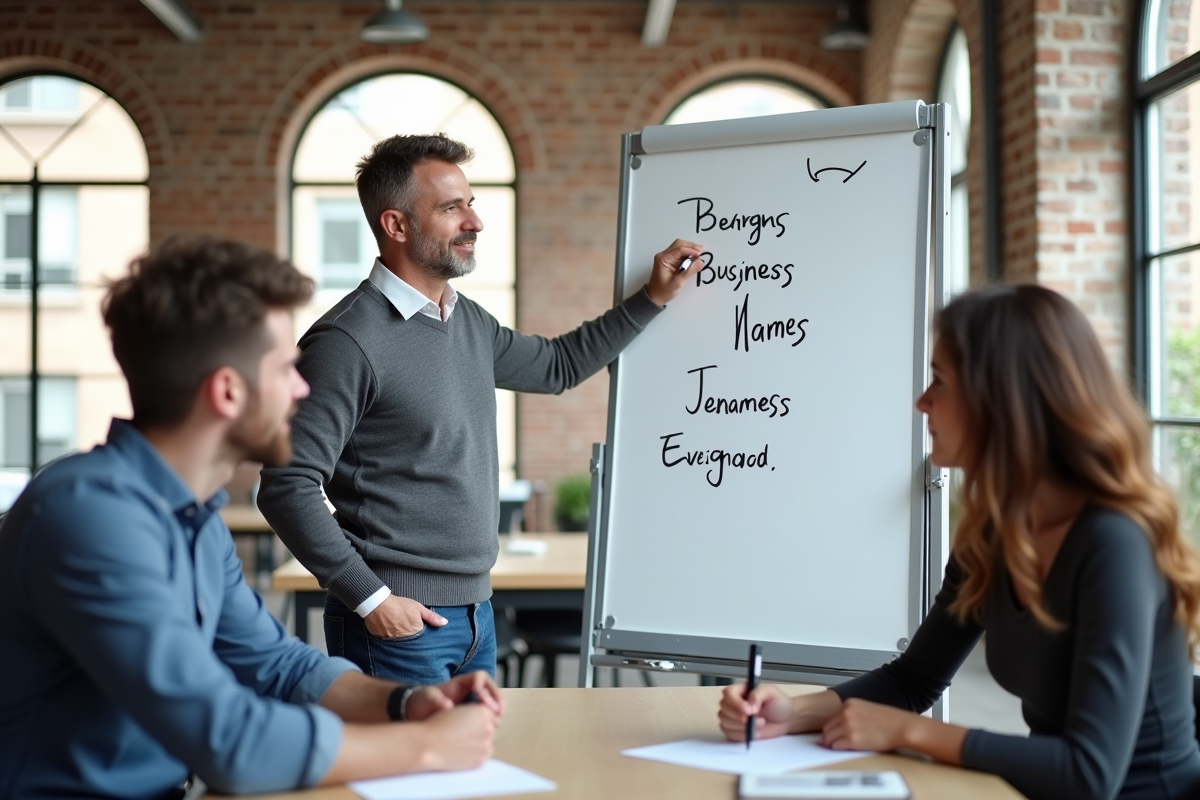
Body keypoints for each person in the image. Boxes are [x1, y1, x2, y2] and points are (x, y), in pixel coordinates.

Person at [0, 237, 505, 799]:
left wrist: (405, 703)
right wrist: (428, 748)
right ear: (227, 391)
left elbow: (276, 665)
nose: (302, 387)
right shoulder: (87, 519)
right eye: (286, 368)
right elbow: (232, 743)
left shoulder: (192, 519)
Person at [717, 284, 1200, 800]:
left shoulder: (1114, 543)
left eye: (940, 382)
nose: (921, 401)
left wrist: (911, 732)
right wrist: (795, 713)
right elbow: (914, 678)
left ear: (1004, 401)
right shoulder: (997, 530)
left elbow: (1089, 774)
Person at [257, 133, 703, 684]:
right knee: (402, 773)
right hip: (396, 624)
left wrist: (651, 299)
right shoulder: (347, 342)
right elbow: (286, 483)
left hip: (477, 616)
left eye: (471, 203)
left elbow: (559, 365)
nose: (475, 222)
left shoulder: (466, 320)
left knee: (468, 769)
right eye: (451, 208)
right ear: (396, 226)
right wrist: (370, 599)